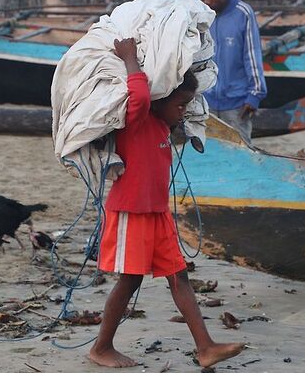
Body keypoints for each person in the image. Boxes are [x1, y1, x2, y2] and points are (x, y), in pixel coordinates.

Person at [88, 37, 245, 369]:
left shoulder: (161, 125)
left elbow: (171, 105)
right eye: (179, 104)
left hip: (157, 215)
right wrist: (130, 58)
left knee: (179, 276)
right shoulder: (138, 120)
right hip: (131, 212)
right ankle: (101, 347)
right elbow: (141, 94)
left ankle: (206, 347)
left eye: (186, 105)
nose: (183, 110)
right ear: (159, 101)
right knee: (130, 280)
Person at [197, 0, 267, 142]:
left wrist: (255, 96)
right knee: (210, 155)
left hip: (238, 104)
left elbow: (252, 56)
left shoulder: (243, 14)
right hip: (207, 102)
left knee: (242, 152)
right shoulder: (200, 14)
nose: (207, 1)